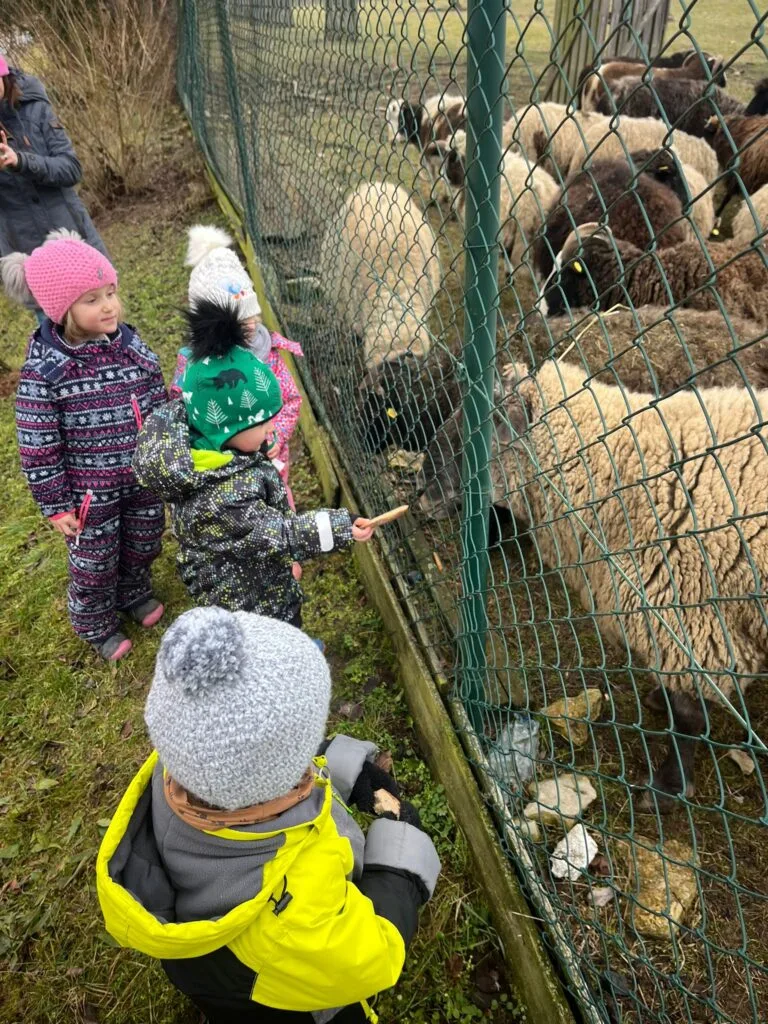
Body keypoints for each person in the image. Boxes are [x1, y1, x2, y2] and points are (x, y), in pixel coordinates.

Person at [96, 606, 441, 1024]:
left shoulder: (185, 767)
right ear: (279, 777)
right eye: (306, 748)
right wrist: (399, 871)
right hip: (289, 997)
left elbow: (254, 763)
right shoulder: (293, 919)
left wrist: (339, 767)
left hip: (218, 971)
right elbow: (370, 958)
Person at [133, 292, 375, 629]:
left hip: (253, 570)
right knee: (268, 639)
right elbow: (278, 533)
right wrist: (339, 528)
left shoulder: (216, 450)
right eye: (262, 423)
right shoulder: (221, 497)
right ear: (228, 427)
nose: (270, 429)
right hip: (246, 601)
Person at [3, 231, 167, 660]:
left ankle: (133, 591)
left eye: (110, 293)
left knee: (145, 539)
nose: (109, 306)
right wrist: (56, 504)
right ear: (63, 310)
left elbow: (156, 397)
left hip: (142, 478)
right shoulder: (47, 372)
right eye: (92, 300)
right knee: (95, 561)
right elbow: (38, 445)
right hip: (90, 495)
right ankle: (94, 620)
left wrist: (167, 445)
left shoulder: (132, 347)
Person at [170, 225, 304, 509]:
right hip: (222, 470)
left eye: (251, 316)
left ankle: (285, 526)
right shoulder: (195, 366)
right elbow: (182, 409)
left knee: (277, 503)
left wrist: (275, 434)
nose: (250, 327)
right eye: (240, 322)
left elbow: (290, 399)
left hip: (271, 459)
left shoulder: (268, 352)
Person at [0, 55, 108, 322]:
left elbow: (71, 169)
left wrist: (20, 161)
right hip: (32, 263)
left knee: (109, 332)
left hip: (78, 246)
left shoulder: (35, 107)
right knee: (56, 341)